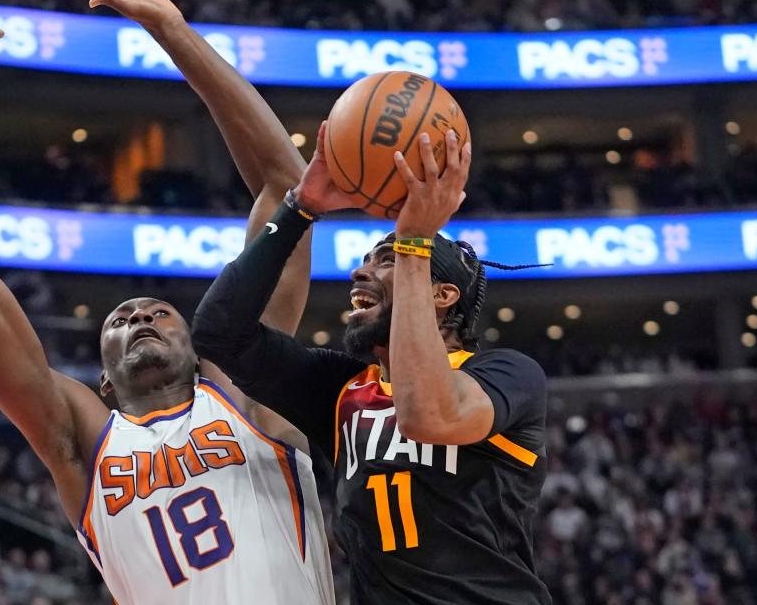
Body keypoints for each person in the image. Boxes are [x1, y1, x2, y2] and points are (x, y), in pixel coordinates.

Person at [0, 0, 334, 601]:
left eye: (160, 312)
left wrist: (174, 32)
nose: (139, 318)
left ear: (199, 347)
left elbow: (285, 186)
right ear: (102, 381)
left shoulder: (248, 390)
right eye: (121, 320)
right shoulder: (82, 438)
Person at [193, 123, 552, 604]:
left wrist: (413, 245)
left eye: (384, 259)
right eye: (371, 259)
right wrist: (299, 208)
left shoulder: (507, 374)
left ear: (442, 295)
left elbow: (431, 412)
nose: (360, 270)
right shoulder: (341, 389)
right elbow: (219, 332)